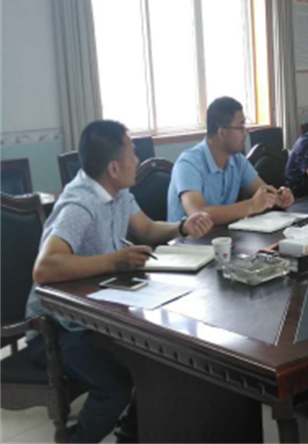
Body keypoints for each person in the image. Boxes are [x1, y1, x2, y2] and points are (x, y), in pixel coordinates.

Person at [26, 120, 214, 444]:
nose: (138, 160)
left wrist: (183, 226)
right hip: (57, 328)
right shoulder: (80, 204)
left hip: (95, 313)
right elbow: (44, 268)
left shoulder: (118, 191)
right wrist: (114, 261)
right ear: (113, 168)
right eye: (132, 154)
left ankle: (131, 433)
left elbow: (147, 229)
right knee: (114, 387)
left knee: (159, 358)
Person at [167, 97, 294, 225]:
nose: (246, 133)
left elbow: (263, 192)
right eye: (240, 127)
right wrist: (250, 206)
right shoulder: (189, 164)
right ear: (222, 132)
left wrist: (279, 198)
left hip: (223, 234)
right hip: (188, 238)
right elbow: (197, 213)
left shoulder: (237, 160)